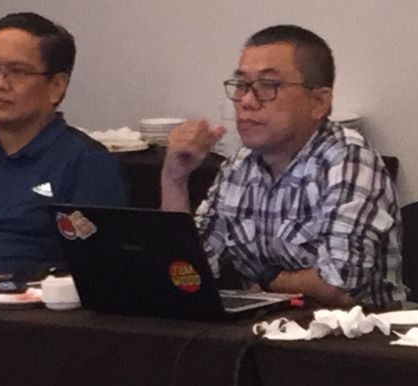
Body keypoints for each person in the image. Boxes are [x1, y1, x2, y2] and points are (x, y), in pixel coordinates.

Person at [161, 25, 403, 309]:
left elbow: (337, 286)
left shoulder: (349, 160)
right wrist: (174, 180)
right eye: (241, 85)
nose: (246, 101)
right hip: (263, 328)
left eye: (268, 85)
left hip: (350, 332)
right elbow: (189, 272)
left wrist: (266, 281)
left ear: (319, 102)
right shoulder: (239, 166)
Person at [0, 12, 126, 277]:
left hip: (38, 298)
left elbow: (101, 269)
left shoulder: (87, 162)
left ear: (56, 86)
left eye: (17, 71)